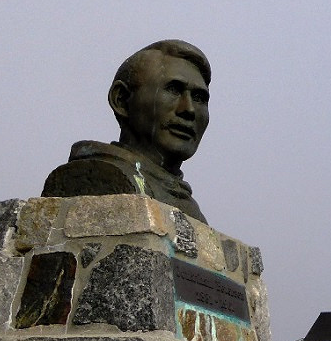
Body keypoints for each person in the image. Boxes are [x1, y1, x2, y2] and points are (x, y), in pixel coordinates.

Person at [43, 40, 211, 223]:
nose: (189, 109)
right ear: (121, 100)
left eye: (199, 98)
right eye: (173, 90)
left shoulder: (185, 202)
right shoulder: (103, 177)